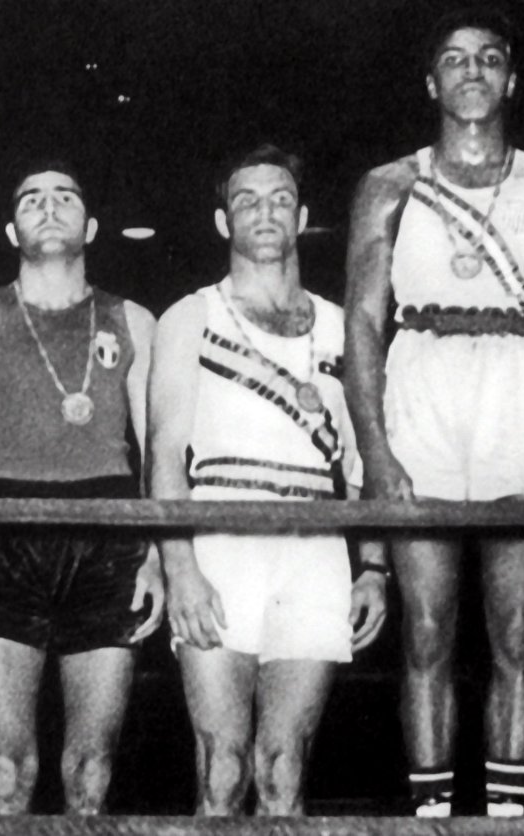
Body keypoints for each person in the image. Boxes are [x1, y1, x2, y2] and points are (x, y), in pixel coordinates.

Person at [344, 8, 524, 818]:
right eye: (455, 60)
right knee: (423, 631)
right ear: (432, 82)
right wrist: (377, 452)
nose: (473, 72)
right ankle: (429, 817)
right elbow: (360, 325)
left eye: (490, 58)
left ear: (512, 78)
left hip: (518, 396)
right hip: (421, 390)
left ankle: (505, 819)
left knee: (517, 633)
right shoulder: (388, 185)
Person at [0, 160, 164, 814]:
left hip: (109, 532)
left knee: (92, 771)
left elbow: (159, 447)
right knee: (7, 770)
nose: (49, 207)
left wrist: (159, 554)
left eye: (64, 197)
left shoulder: (134, 321)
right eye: (31, 198)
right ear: (9, 227)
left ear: (92, 224)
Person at [149, 144, 387, 817]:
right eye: (247, 199)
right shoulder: (190, 316)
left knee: (284, 771)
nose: (264, 211)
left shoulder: (345, 328)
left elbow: (367, 467)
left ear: (303, 215)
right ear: (224, 221)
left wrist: (373, 566)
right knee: (221, 770)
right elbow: (164, 454)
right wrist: (180, 567)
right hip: (220, 536)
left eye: (280, 198)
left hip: (313, 548)